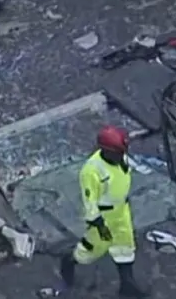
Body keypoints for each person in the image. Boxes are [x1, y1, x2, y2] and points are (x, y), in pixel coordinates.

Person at [59, 126, 148, 297]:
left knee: (125, 248)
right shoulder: (91, 171)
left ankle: (128, 286)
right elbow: (90, 202)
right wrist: (99, 225)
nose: (122, 155)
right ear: (106, 151)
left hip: (121, 212)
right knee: (90, 251)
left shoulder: (120, 158)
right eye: (118, 152)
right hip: (104, 218)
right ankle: (69, 261)